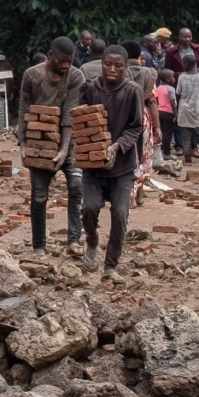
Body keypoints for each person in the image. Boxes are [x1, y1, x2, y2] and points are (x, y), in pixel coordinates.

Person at [78, 46, 144, 275]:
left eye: (118, 65)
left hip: (122, 167)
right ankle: (92, 241)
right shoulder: (89, 88)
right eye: (108, 64)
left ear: (125, 67)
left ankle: (110, 266)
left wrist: (117, 146)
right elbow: (80, 117)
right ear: (101, 63)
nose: (112, 69)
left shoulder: (132, 91)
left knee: (119, 214)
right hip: (92, 166)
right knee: (89, 208)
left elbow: (136, 127)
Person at [17, 36, 86, 255]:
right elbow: (24, 109)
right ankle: (39, 245)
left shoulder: (76, 77)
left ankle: (74, 240)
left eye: (70, 60)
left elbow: (69, 115)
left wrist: (64, 150)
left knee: (76, 188)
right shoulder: (32, 75)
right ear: (51, 56)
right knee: (39, 194)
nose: (66, 65)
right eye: (61, 61)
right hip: (40, 144)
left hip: (69, 142)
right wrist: (23, 143)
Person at [174, 51, 199, 162]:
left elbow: (178, 92)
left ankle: (187, 159)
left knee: (186, 135)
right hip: (198, 109)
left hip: (184, 109)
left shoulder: (181, 77)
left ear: (186, 64)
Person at [154, 70, 178, 157]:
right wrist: (175, 115)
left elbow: (156, 100)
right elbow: (172, 103)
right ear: (168, 79)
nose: (174, 79)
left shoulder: (158, 87)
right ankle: (166, 153)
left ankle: (160, 152)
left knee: (162, 132)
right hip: (168, 113)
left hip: (159, 112)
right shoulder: (171, 89)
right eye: (173, 77)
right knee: (168, 134)